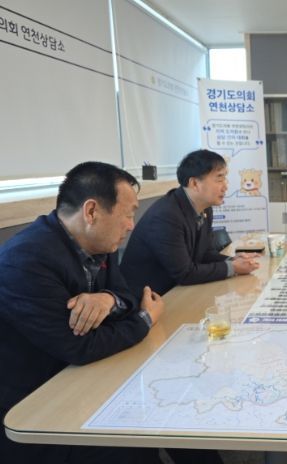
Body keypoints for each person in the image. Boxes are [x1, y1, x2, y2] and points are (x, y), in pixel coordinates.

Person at [0, 161, 163, 463]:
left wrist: (107, 299)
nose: (132, 225)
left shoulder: (98, 244)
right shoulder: (26, 259)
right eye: (128, 214)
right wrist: (145, 320)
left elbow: (126, 295)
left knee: (151, 413)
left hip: (81, 379)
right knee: (132, 440)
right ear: (91, 212)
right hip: (36, 404)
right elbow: (79, 346)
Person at [121, 149, 260, 298]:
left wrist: (233, 260)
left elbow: (205, 253)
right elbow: (185, 274)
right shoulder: (166, 216)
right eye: (219, 179)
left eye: (225, 178)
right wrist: (233, 267)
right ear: (194, 183)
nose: (225, 186)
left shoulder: (204, 208)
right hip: (148, 298)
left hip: (177, 291)